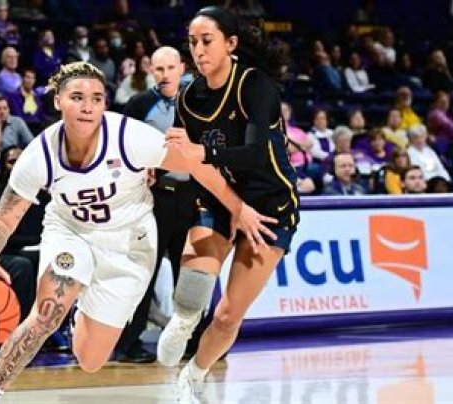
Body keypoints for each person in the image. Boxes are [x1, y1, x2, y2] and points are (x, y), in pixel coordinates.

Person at [0, 61, 273, 403]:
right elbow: (5, 215)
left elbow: (196, 165)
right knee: (46, 313)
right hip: (71, 232)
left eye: (96, 99)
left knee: (90, 360)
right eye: (77, 97)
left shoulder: (130, 137)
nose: (87, 107)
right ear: (57, 101)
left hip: (129, 242)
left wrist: (237, 207)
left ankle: (81, 311)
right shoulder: (40, 153)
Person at [154, 7, 300, 402]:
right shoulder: (188, 98)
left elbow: (255, 154)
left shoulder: (256, 85)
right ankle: (184, 319)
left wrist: (200, 152)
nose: (198, 50)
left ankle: (194, 376)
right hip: (221, 195)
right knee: (193, 290)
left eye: (207, 41)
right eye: (192, 42)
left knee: (227, 315)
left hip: (270, 205)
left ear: (230, 43)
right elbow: (190, 164)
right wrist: (233, 206)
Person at [116, 46, 192, 363]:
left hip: (190, 196)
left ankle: (190, 341)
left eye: (170, 68)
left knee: (189, 273)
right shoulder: (139, 104)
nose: (165, 74)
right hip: (154, 198)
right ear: (151, 71)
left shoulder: (198, 102)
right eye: (159, 69)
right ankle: (128, 343)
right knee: (144, 271)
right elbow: (121, 148)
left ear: (182, 68)